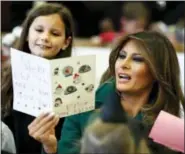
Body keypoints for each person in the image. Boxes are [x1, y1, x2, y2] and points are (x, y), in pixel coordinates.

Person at [29, 31, 184, 154]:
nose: (124, 64)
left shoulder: (168, 125)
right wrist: (50, 148)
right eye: (122, 56)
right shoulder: (82, 106)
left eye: (137, 59)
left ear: (157, 72)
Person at [2, 2, 74, 154]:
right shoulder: (6, 77)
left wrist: (50, 148)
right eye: (39, 30)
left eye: (54, 33)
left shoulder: (73, 87)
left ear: (66, 42)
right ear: (27, 34)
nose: (45, 37)